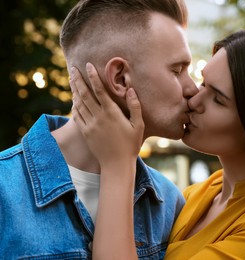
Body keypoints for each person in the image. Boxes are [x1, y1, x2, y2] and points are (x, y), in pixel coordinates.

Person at [71, 29, 245, 259]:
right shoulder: (202, 192)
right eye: (203, 83)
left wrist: (118, 164)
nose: (193, 100)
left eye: (217, 99)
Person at [0, 0, 199, 259]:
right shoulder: (5, 192)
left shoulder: (169, 203)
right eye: (177, 70)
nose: (193, 89)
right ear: (120, 78)